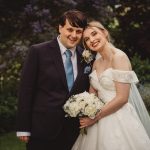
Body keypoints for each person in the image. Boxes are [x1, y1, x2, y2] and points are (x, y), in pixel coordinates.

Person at [16, 10, 93, 150]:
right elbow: (26, 91)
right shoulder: (38, 51)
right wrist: (23, 127)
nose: (74, 35)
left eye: (78, 31)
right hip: (42, 129)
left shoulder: (86, 56)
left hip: (73, 131)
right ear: (60, 27)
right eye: (70, 29)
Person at [72, 21, 150, 150]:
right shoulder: (96, 62)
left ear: (105, 32)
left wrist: (95, 117)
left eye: (94, 34)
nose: (92, 40)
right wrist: (84, 107)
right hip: (96, 120)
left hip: (118, 118)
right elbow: (93, 94)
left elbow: (122, 98)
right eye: (86, 39)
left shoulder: (119, 57)